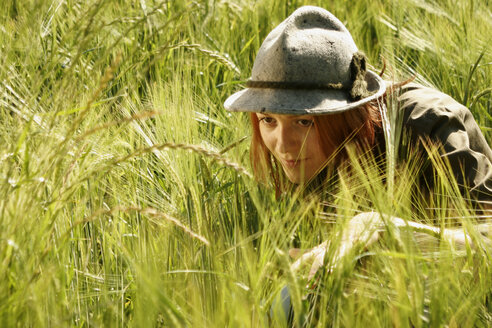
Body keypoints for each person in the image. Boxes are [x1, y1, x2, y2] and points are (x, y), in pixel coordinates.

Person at [223, 5, 492, 325]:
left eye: (304, 121)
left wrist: (384, 230)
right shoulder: (306, 155)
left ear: (347, 115)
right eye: (268, 120)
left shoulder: (428, 126)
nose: (283, 145)